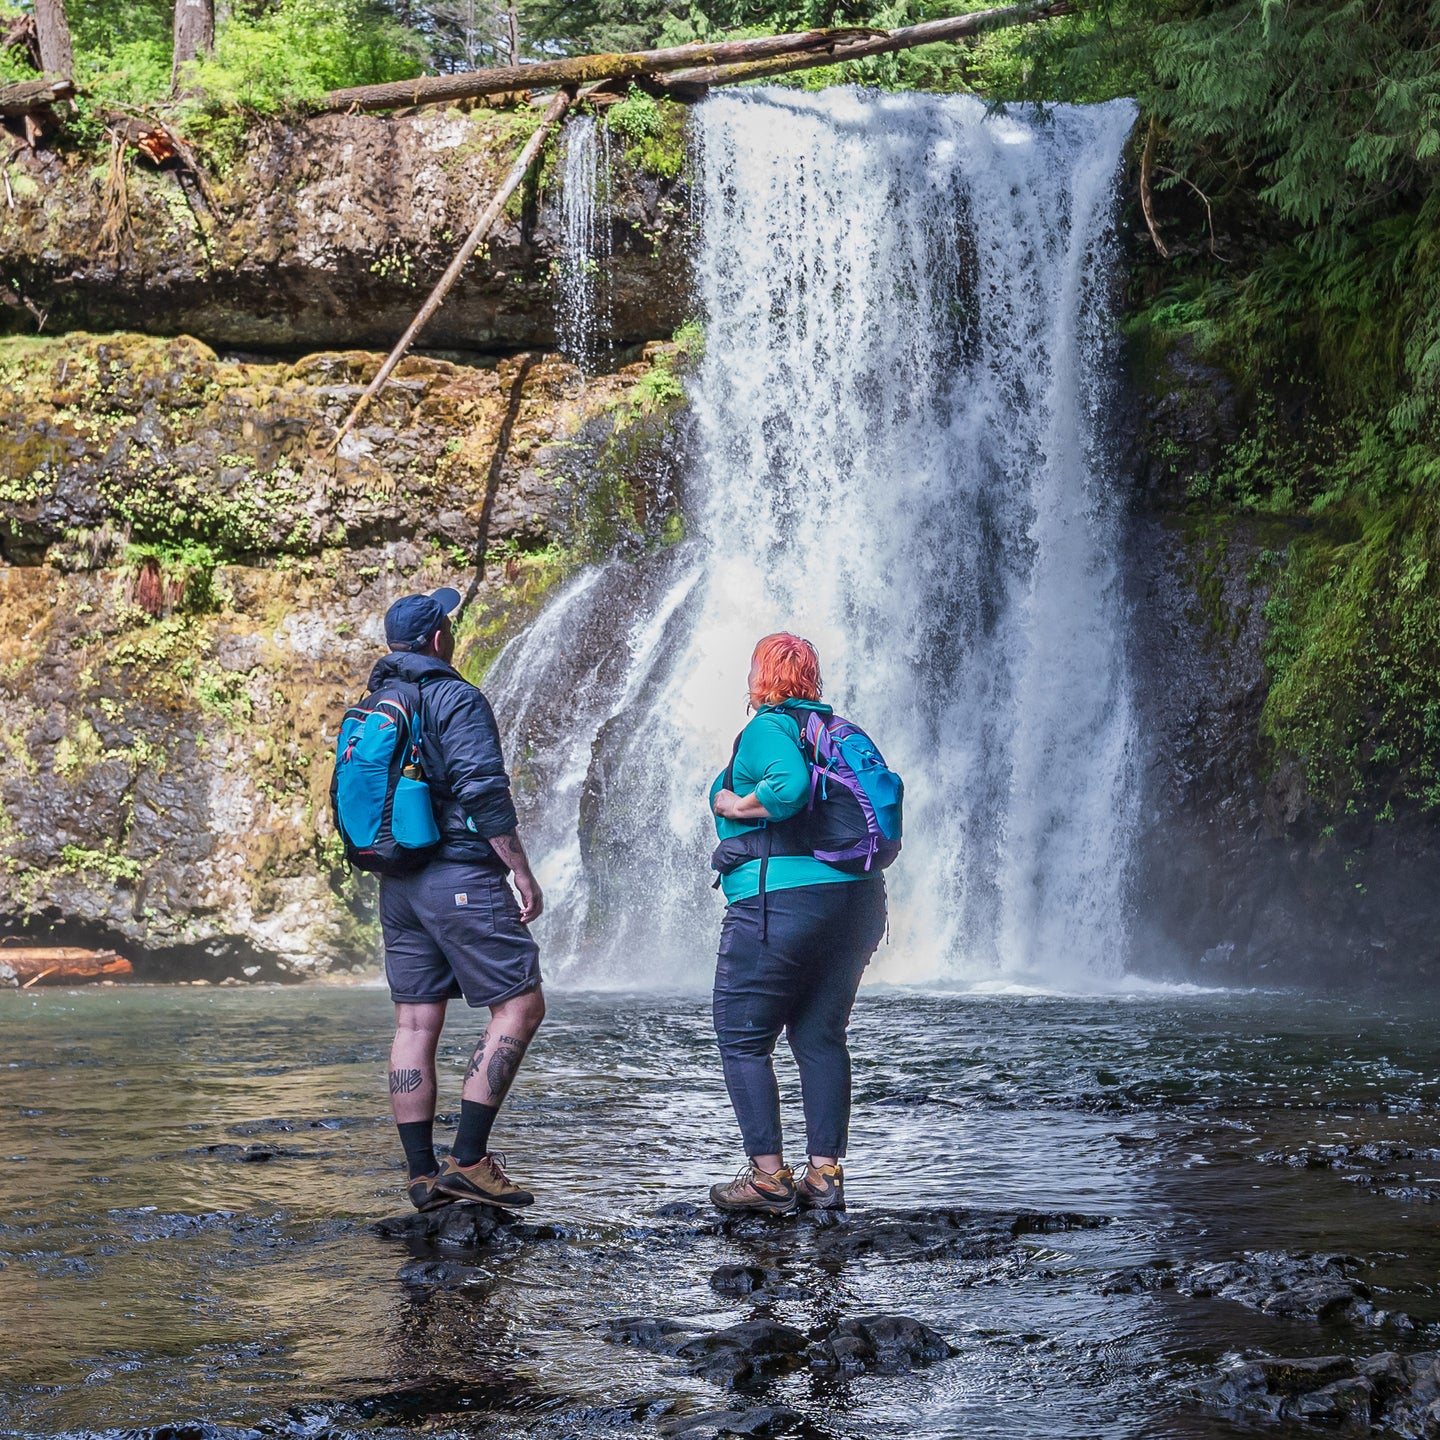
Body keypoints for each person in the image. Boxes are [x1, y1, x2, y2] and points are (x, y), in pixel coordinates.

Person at [369, 587, 546, 1212]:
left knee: (415, 1022)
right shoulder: (455, 696)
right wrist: (520, 870)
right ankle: (468, 1160)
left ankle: (421, 1175)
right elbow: (482, 788)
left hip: (399, 883)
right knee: (520, 1006)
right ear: (440, 640)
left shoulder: (375, 703)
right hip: (459, 877)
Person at [707, 632, 888, 1215]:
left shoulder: (769, 728)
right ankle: (824, 1176)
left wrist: (735, 805)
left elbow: (786, 790)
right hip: (856, 905)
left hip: (781, 904)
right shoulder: (837, 735)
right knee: (818, 1034)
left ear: (760, 677)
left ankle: (766, 1178)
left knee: (742, 1038)